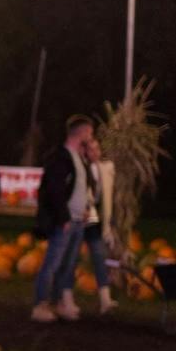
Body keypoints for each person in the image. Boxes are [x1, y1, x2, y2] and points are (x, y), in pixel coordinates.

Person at [31, 114, 110, 321]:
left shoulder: (78, 159)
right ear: (82, 132)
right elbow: (55, 190)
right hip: (65, 221)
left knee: (68, 265)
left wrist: (84, 209)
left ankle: (58, 303)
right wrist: (63, 217)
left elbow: (79, 189)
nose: (91, 137)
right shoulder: (60, 157)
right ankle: (40, 305)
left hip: (78, 220)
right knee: (53, 262)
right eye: (90, 133)